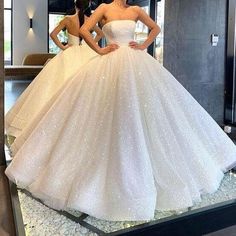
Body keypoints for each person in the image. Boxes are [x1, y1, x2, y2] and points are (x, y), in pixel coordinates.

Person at [5, 0, 236, 221]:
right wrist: (100, 50)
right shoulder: (104, 8)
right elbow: (86, 30)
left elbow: (154, 28)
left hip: (136, 62)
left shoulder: (135, 9)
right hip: (110, 62)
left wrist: (144, 45)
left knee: (147, 111)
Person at [5, 0, 103, 142]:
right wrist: (90, 43)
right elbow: (100, 34)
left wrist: (63, 48)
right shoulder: (89, 20)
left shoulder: (68, 19)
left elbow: (53, 34)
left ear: (75, 5)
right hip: (86, 53)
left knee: (56, 87)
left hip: (70, 52)